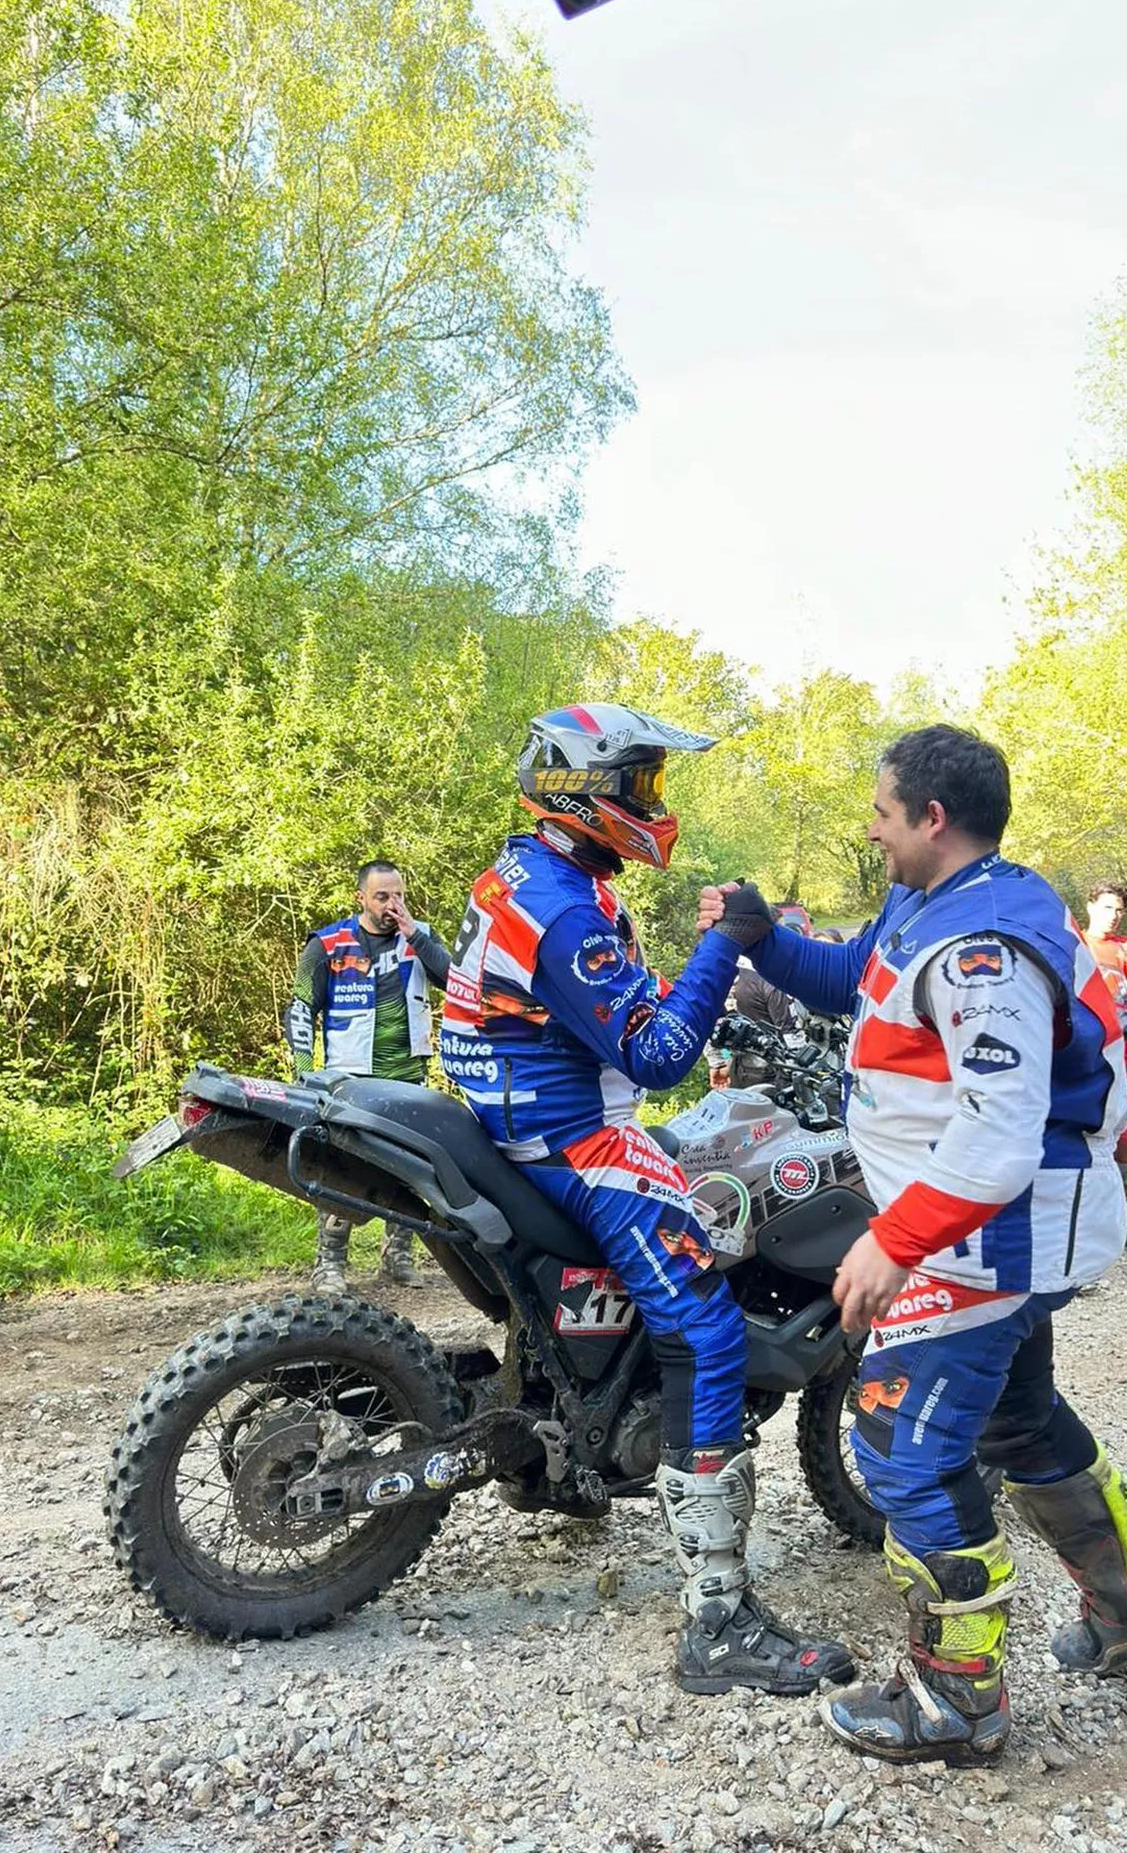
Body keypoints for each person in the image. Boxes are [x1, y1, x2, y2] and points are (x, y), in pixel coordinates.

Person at [702, 725, 1127, 1765]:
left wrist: (895, 1239)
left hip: (985, 1234)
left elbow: (1000, 1128)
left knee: (904, 1452)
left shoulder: (986, 952)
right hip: (979, 1226)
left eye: (883, 811)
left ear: (933, 819)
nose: (872, 828)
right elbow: (852, 979)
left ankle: (957, 1698)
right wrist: (758, 938)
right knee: (1018, 1421)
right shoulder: (935, 903)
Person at [440, 703, 853, 1698]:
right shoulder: (568, 907)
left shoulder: (532, 873)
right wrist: (730, 941)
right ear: (587, 790)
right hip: (567, 1134)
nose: (651, 803)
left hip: (513, 1113)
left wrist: (707, 974)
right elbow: (659, 1055)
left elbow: (612, 1005)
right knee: (708, 1334)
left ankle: (578, 1457)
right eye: (642, 784)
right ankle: (719, 1620)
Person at [284, 860, 452, 1291]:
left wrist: (414, 933)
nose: (392, 905)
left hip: (407, 1074)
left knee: (410, 1170)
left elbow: (456, 981)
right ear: (361, 897)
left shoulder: (421, 938)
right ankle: (330, 1263)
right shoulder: (328, 944)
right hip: (350, 1079)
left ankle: (398, 1257)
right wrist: (306, 1073)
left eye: (398, 895)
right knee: (343, 1169)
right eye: (382, 897)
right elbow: (302, 1007)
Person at [1081, 881, 1127, 1243]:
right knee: (1078, 1133)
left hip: (1126, 1058)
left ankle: (1119, 1216)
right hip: (1081, 1058)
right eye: (1107, 907)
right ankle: (1077, 1220)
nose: (1113, 916)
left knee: (1123, 1138)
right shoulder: (1070, 945)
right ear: (1091, 905)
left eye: (1119, 910)